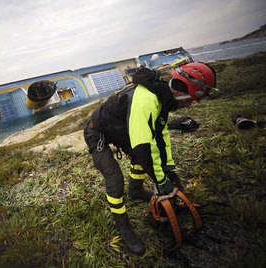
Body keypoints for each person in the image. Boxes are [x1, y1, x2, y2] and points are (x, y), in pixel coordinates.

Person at [84, 62, 218, 256]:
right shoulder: (146, 99)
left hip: (122, 130)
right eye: (189, 100)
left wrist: (169, 167)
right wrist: (161, 181)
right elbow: (143, 147)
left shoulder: (162, 97)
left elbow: (160, 134)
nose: (188, 105)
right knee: (115, 178)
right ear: (182, 90)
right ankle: (123, 226)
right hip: (98, 133)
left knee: (142, 157)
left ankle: (136, 191)